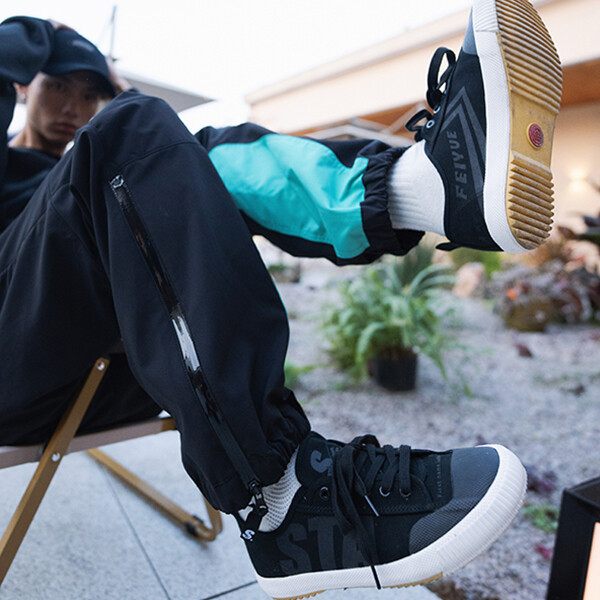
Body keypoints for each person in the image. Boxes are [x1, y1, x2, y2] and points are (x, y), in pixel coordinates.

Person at [0, 0, 561, 597]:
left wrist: (119, 106)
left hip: (119, 380)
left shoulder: (99, 174)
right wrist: (37, 33)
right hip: (16, 370)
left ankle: (417, 189)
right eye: (58, 85)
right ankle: (279, 496)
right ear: (23, 85)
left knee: (194, 149)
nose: (73, 106)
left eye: (91, 93)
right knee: (133, 132)